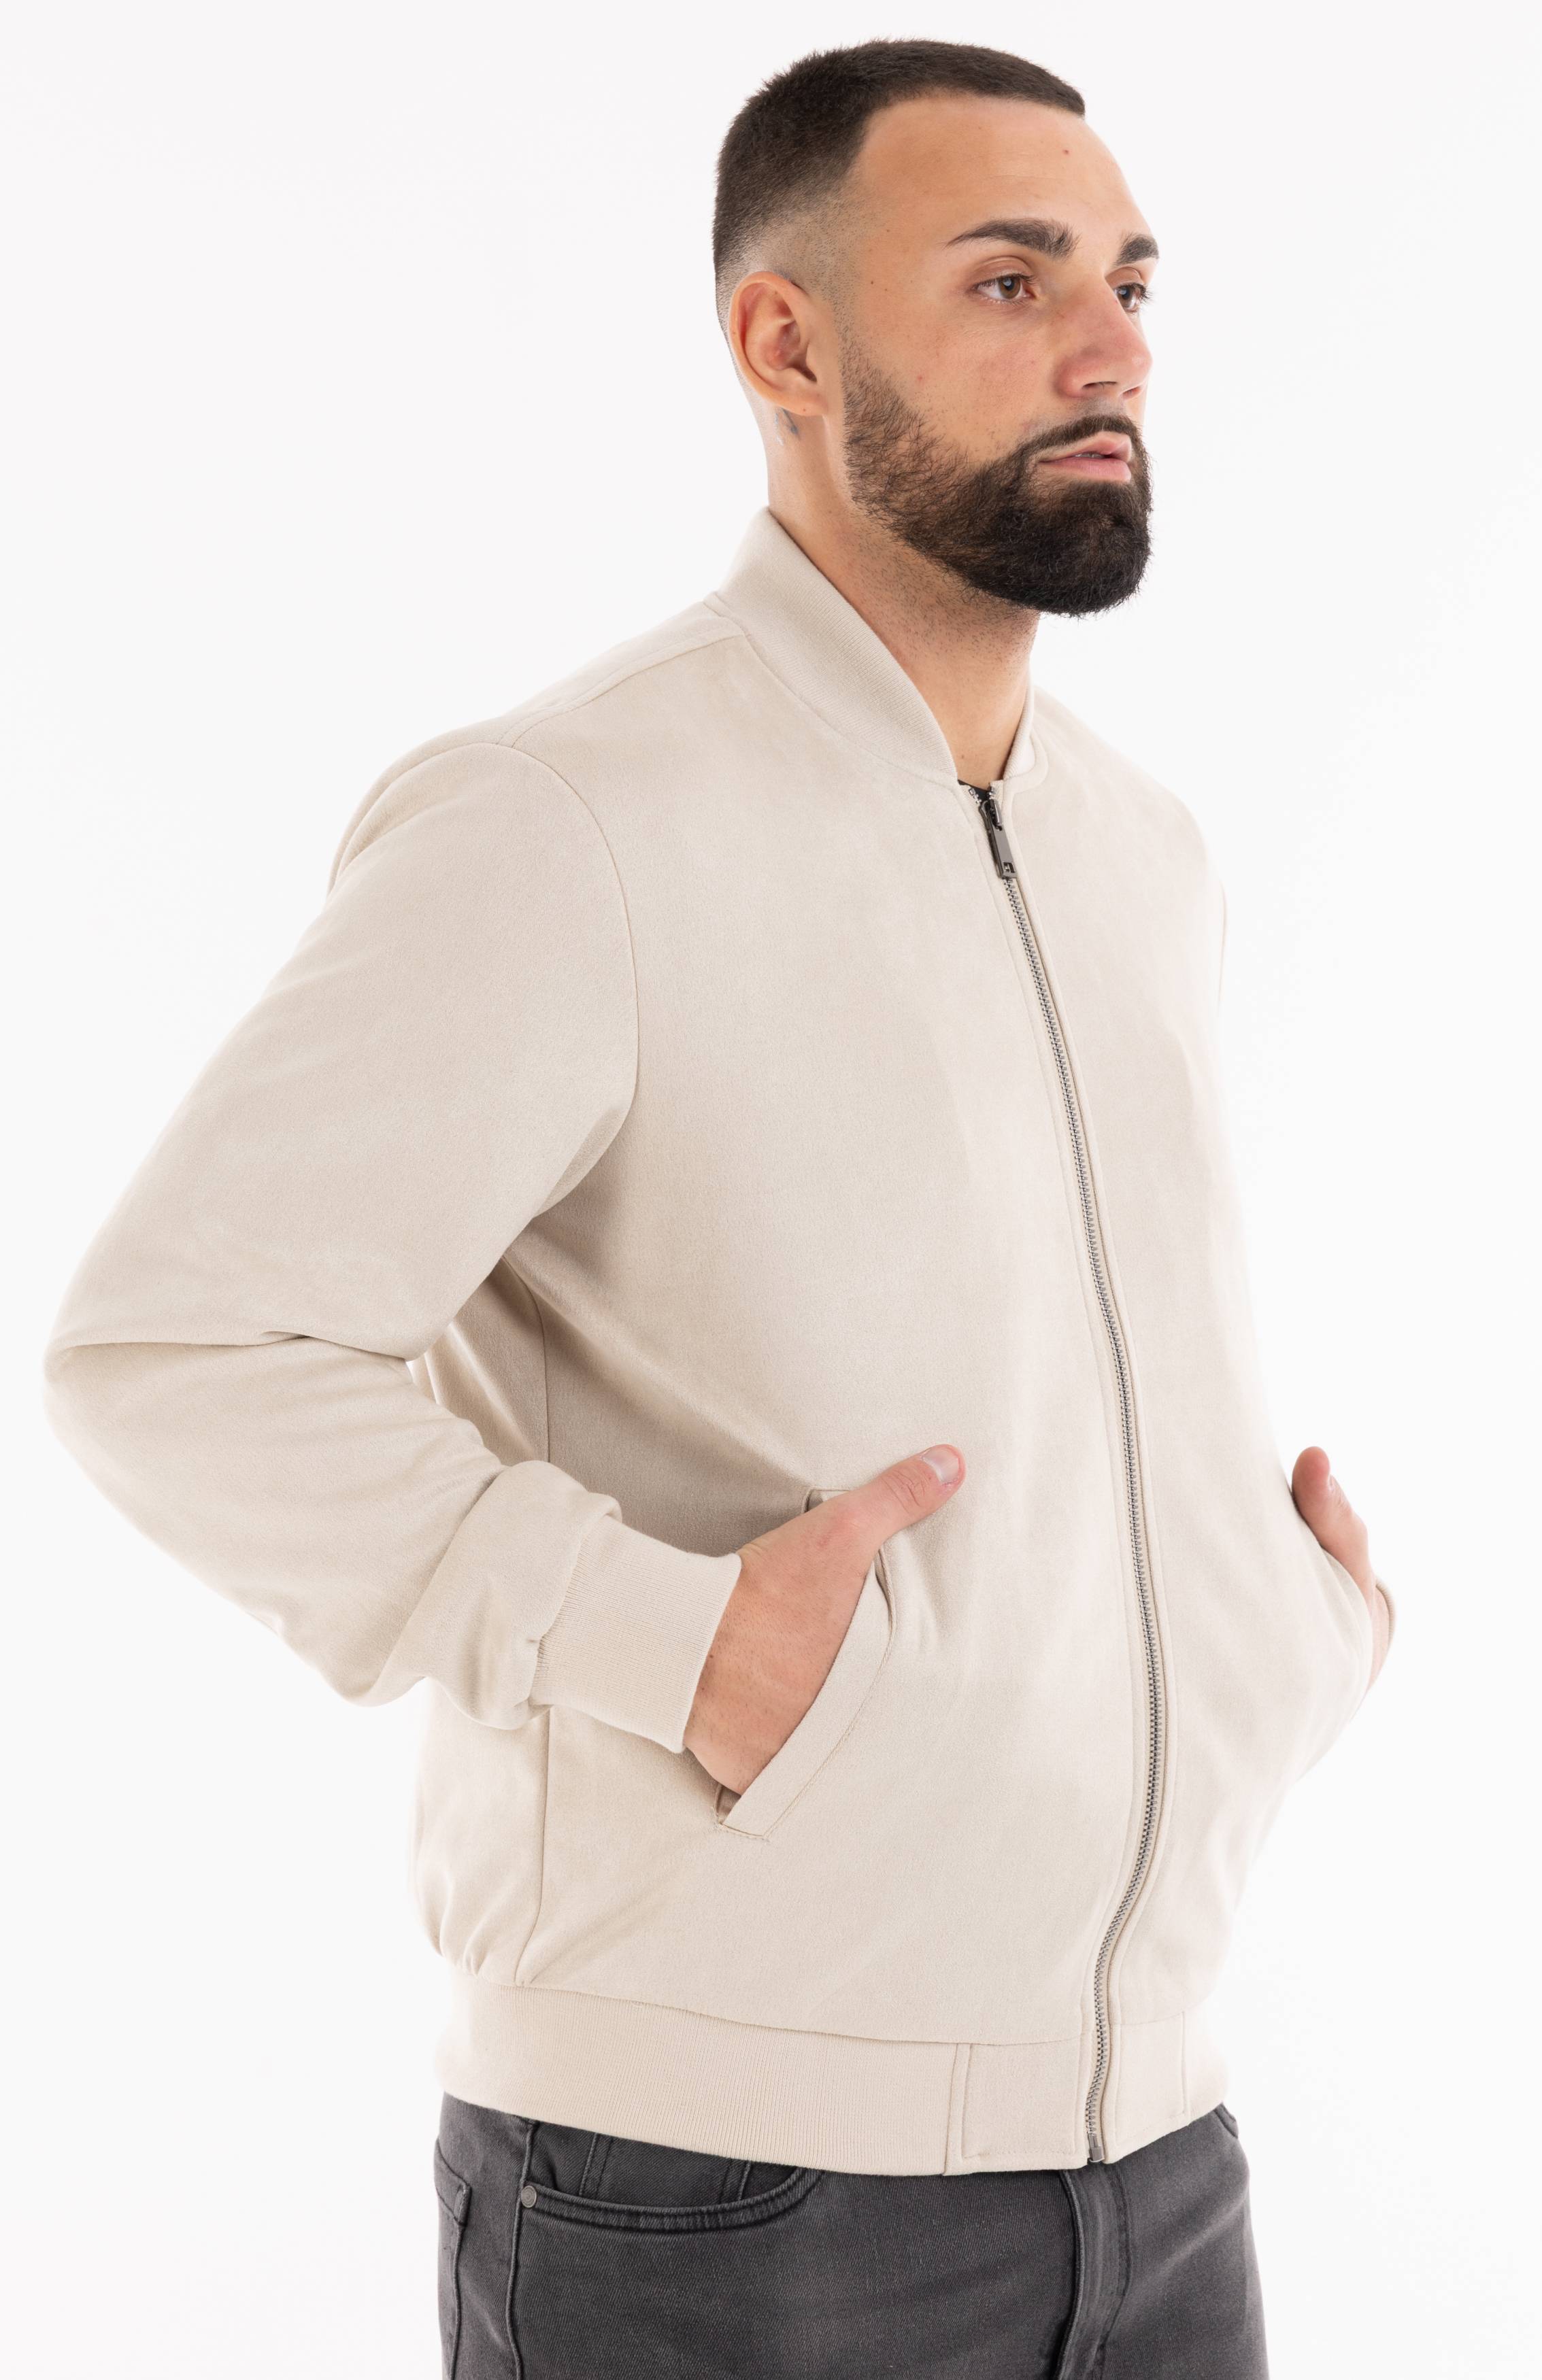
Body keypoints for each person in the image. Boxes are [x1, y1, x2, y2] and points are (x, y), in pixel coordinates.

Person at [41, 37, 1396, 2380]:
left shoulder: (1141, 852)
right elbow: (172, 1348)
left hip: (1167, 2160)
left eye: (1130, 281)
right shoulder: (570, 817)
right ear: (788, 346)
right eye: (1011, 281)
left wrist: (1275, 1631)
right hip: (717, 2198)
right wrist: (667, 1640)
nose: (1111, 347)